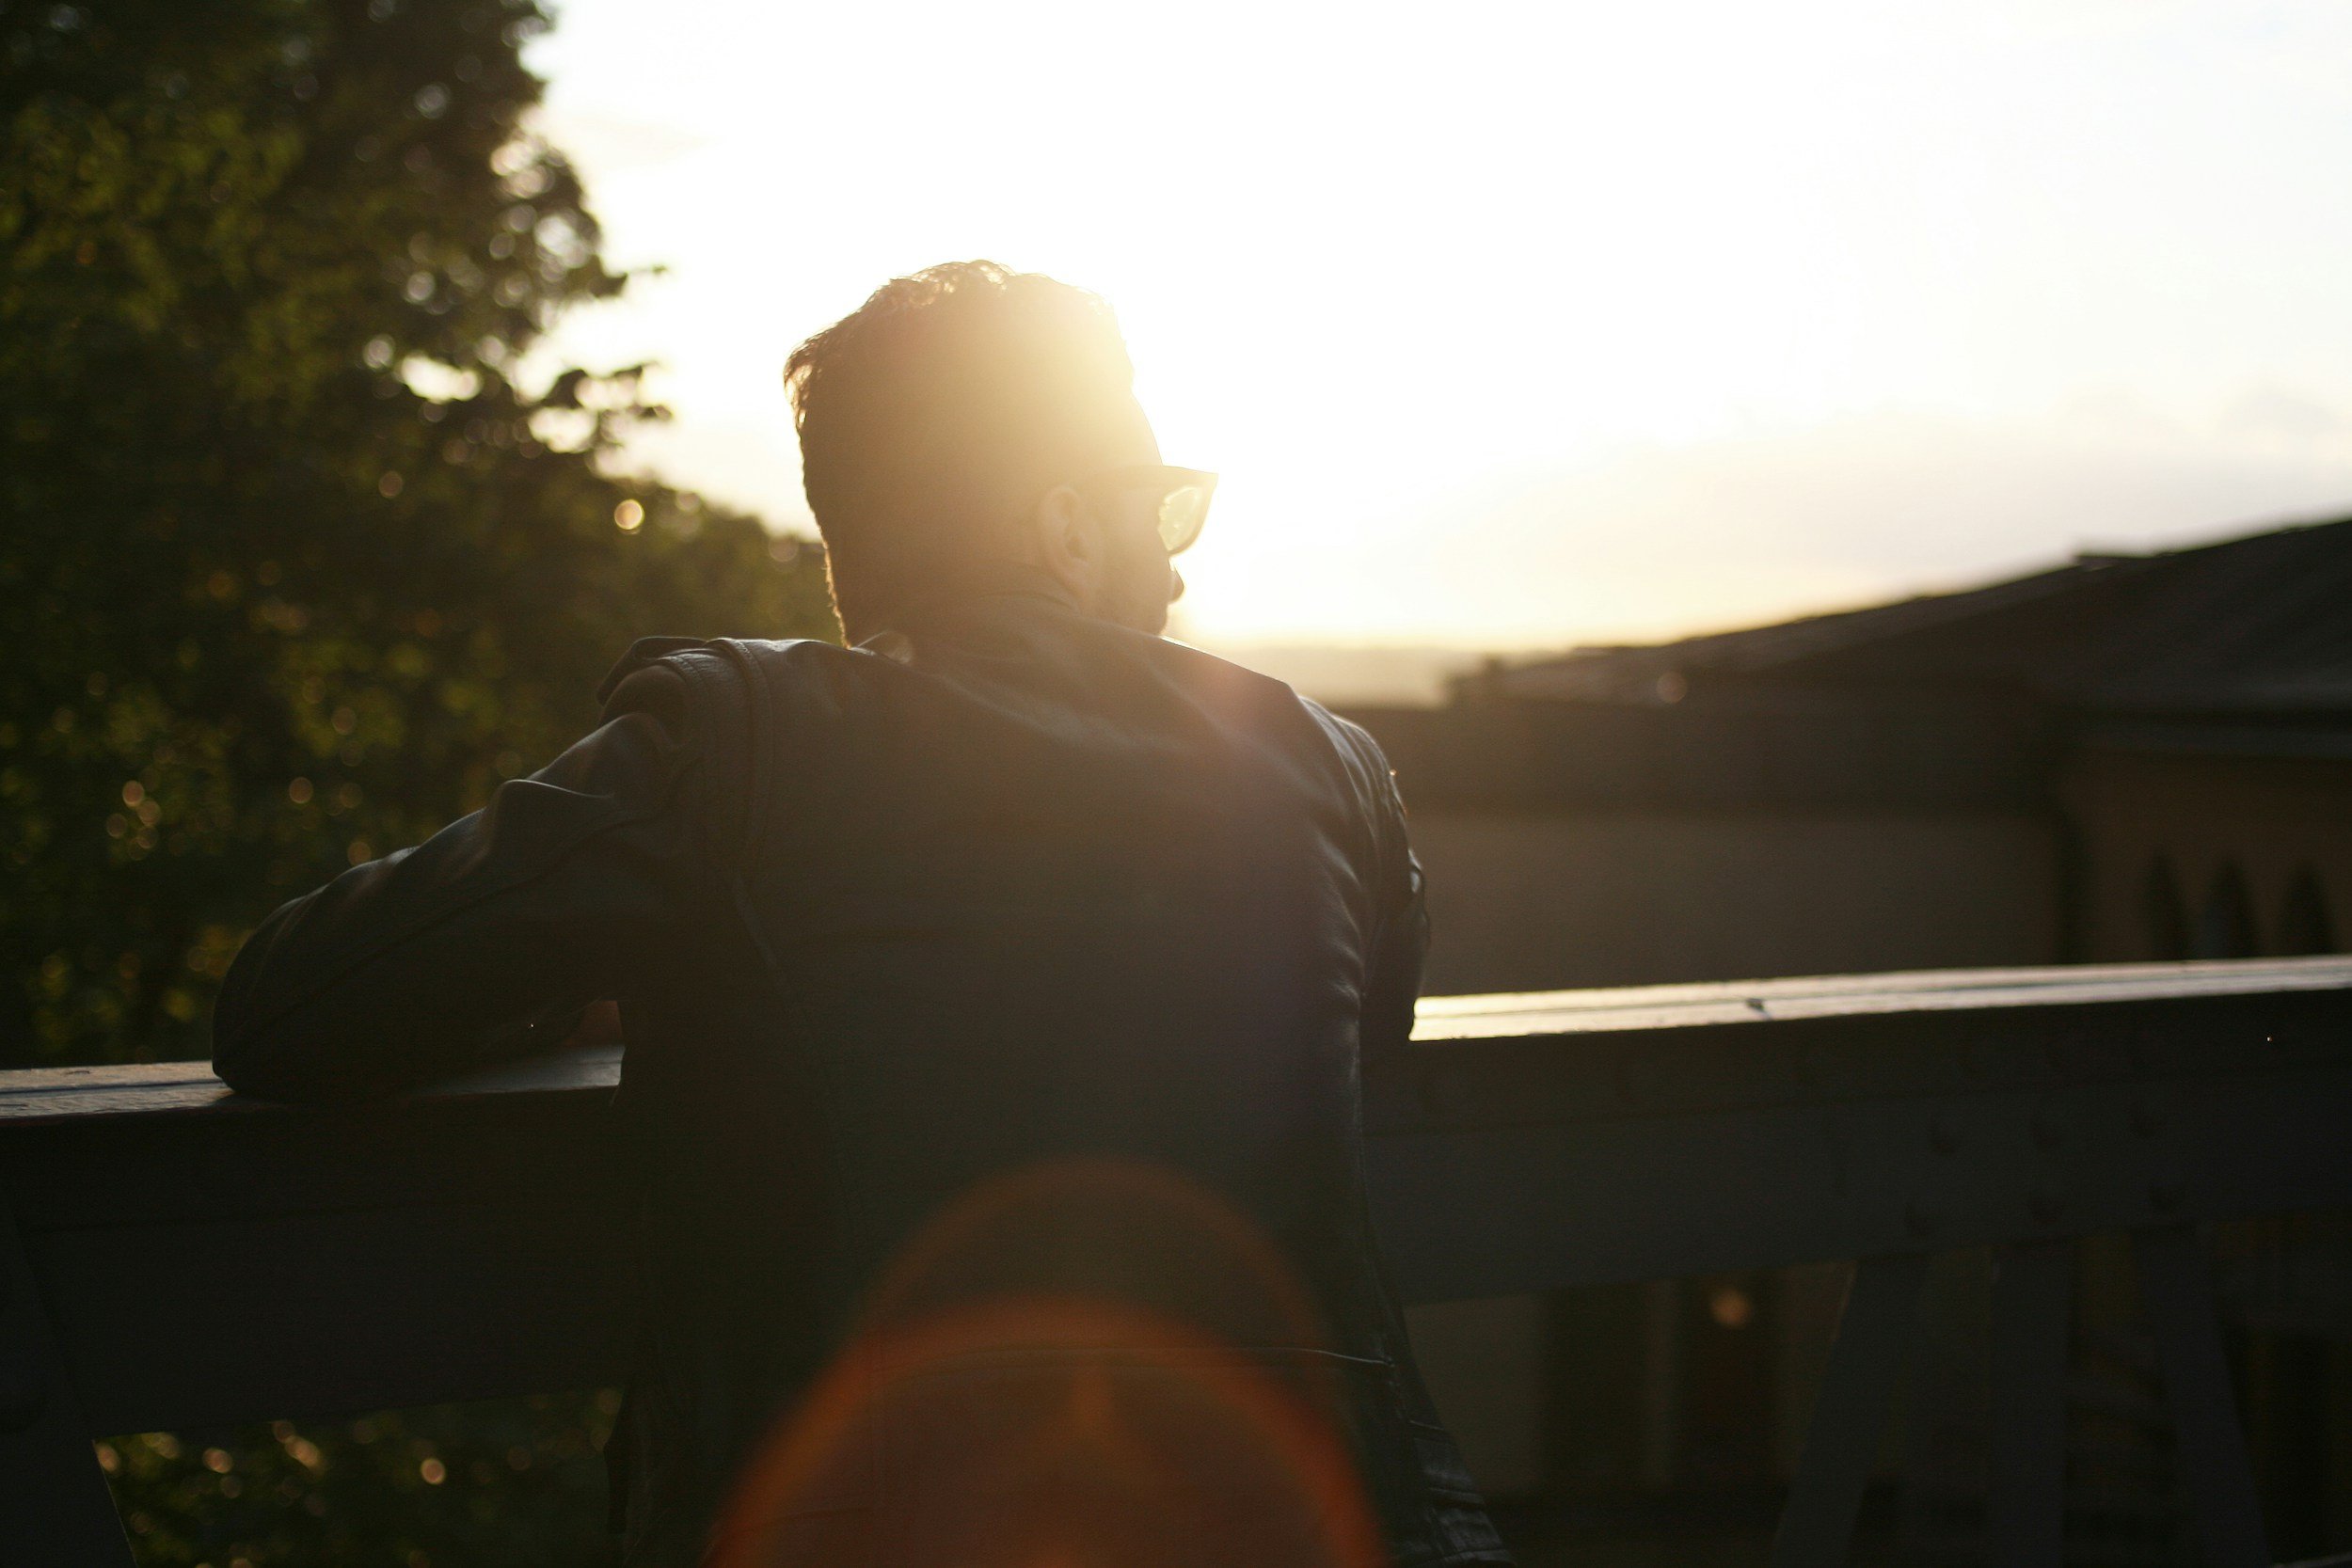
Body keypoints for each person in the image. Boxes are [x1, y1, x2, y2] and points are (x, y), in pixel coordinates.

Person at [213, 261, 1509, 1567]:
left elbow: (293, 1007)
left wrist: (596, 975)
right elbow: (1361, 1044)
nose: (1172, 576)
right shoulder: (1327, 767)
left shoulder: (741, 746)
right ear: (1062, 524)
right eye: (1158, 512)